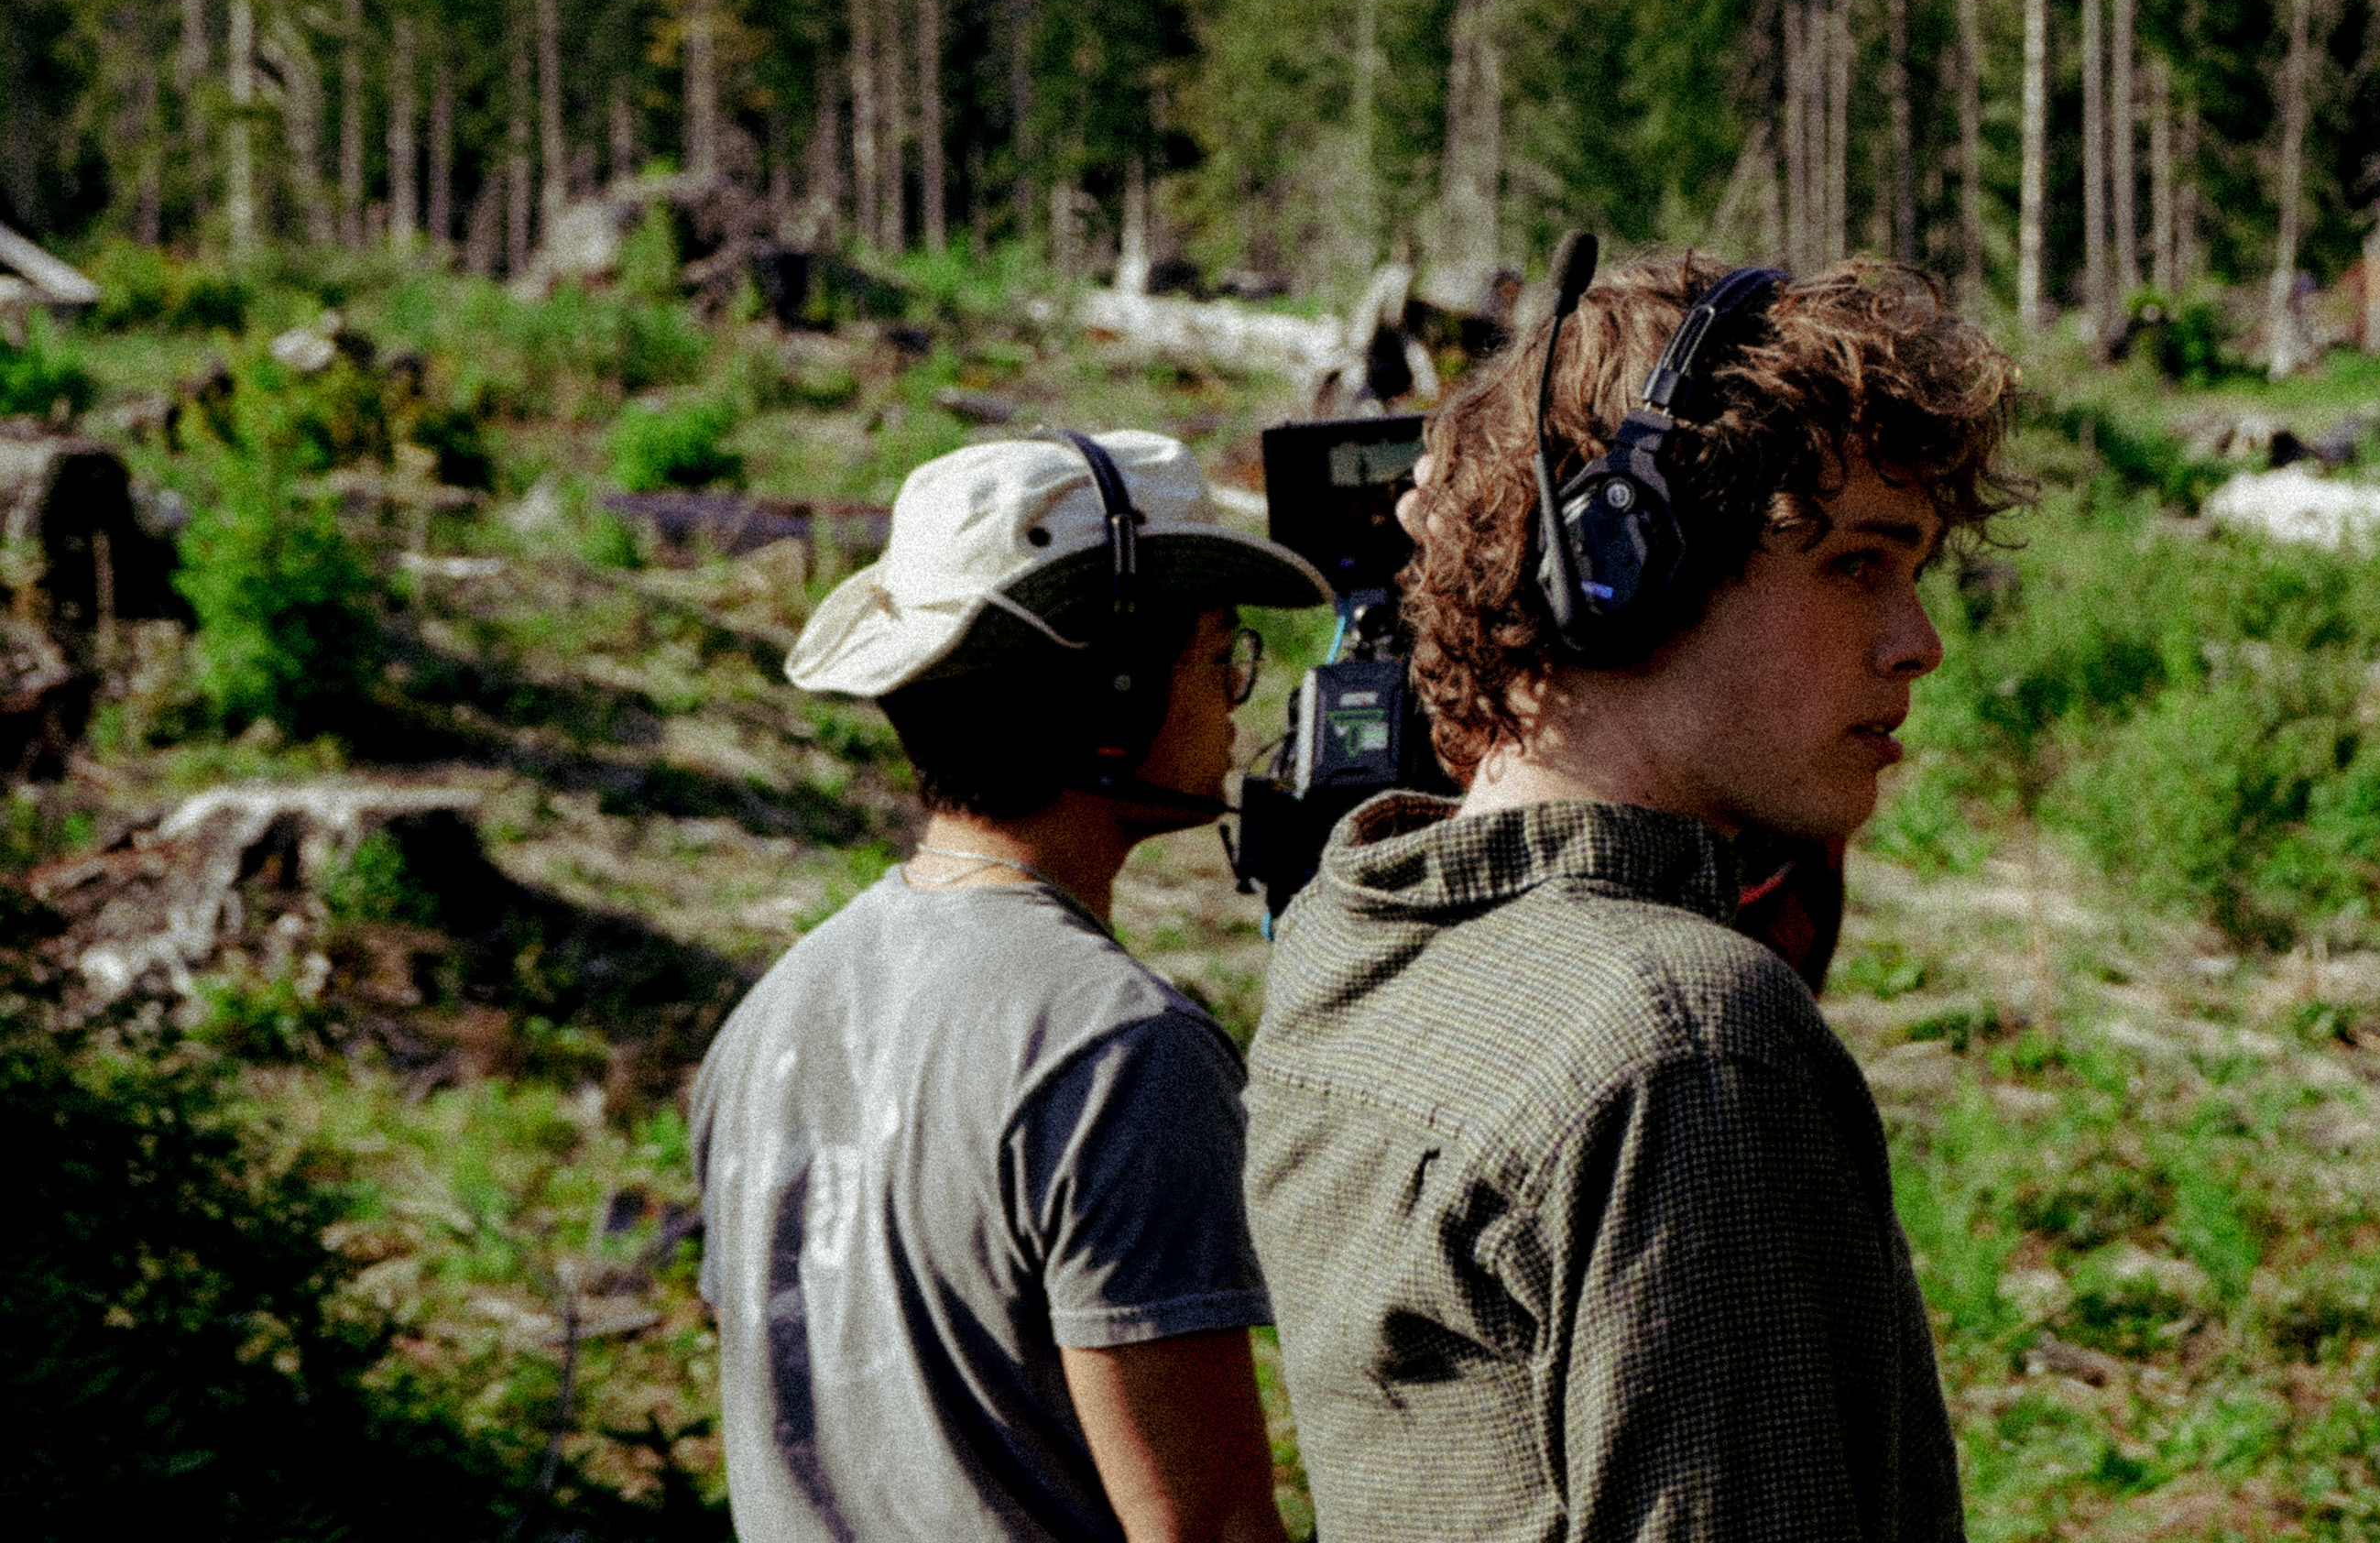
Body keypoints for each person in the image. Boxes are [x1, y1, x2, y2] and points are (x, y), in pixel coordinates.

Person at [1244, 252, 2022, 1541]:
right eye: (1858, 565)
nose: (1919, 641)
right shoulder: (1683, 1046)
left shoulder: (1357, 934)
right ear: (1622, 564)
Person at [695, 430, 1328, 1543]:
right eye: (1217, 654)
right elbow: (1206, 1525)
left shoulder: (770, 1016)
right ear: (1115, 689)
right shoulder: (1118, 1050)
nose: (1238, 702)